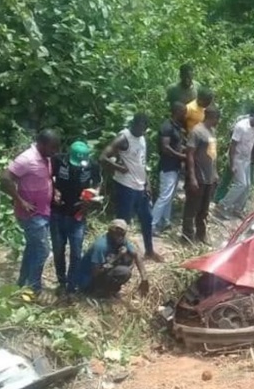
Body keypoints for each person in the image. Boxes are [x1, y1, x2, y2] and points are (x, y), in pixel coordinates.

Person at [0, 129, 61, 294]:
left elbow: (44, 179)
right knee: (42, 251)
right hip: (31, 215)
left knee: (32, 249)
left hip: (43, 211)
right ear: (41, 144)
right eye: (52, 147)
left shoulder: (45, 157)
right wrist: (20, 200)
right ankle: (33, 289)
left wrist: (53, 192)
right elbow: (4, 178)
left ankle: (22, 284)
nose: (55, 151)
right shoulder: (26, 159)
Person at [100, 112, 163, 262]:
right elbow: (103, 157)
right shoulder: (123, 138)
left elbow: (142, 163)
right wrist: (118, 167)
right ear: (134, 124)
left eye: (144, 127)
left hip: (140, 186)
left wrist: (146, 182)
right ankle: (116, 255)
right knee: (122, 224)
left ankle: (149, 251)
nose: (141, 129)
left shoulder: (142, 139)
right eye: (139, 126)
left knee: (147, 218)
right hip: (125, 185)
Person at [50, 141, 100, 294]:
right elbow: (47, 177)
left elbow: (97, 184)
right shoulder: (58, 161)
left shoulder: (92, 165)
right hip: (58, 213)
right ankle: (61, 282)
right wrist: (53, 190)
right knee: (58, 250)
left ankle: (72, 286)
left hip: (78, 214)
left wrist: (93, 196)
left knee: (76, 252)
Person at [215, 110, 254, 220]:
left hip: (246, 159)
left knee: (248, 185)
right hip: (236, 158)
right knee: (241, 184)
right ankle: (222, 205)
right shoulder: (241, 126)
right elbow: (233, 146)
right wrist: (232, 164)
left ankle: (237, 209)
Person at [78, 219, 149, 298]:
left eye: (122, 234)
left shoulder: (121, 240)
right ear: (110, 232)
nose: (119, 236)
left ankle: (110, 289)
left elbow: (136, 254)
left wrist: (144, 279)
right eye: (116, 233)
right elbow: (95, 272)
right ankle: (100, 291)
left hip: (103, 270)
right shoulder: (101, 246)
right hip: (88, 280)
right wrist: (117, 257)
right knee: (124, 272)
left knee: (129, 258)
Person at [182, 106, 221, 244]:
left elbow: (213, 154)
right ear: (212, 117)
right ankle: (187, 237)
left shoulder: (212, 131)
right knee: (191, 208)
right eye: (217, 118)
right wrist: (192, 177)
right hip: (198, 177)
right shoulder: (197, 131)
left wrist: (215, 173)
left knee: (204, 210)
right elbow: (190, 154)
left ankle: (201, 235)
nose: (218, 121)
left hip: (209, 178)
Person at [152, 101, 187, 234]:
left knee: (170, 196)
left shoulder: (176, 127)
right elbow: (165, 148)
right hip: (167, 166)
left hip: (175, 166)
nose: (185, 115)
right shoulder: (166, 127)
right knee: (164, 196)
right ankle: (152, 224)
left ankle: (164, 221)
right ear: (177, 112)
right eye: (183, 112)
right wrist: (181, 156)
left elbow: (176, 143)